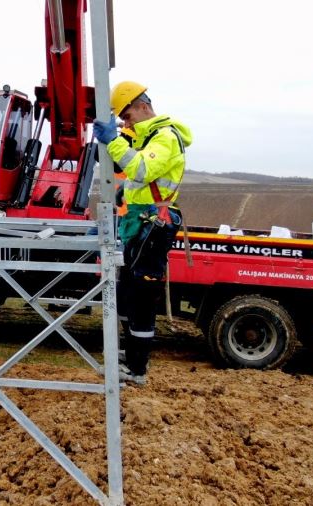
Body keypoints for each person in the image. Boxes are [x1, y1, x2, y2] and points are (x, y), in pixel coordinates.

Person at [93, 81, 192, 386]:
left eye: (127, 115)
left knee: (141, 298)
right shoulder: (149, 137)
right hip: (140, 223)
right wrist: (127, 192)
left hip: (154, 225)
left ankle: (138, 369)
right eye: (122, 118)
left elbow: (139, 170)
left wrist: (114, 142)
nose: (125, 122)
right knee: (126, 295)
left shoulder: (165, 138)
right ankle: (130, 354)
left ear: (143, 106)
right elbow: (138, 179)